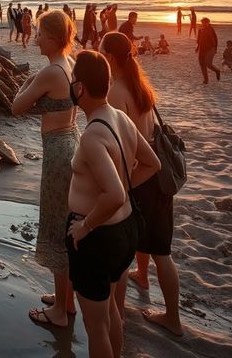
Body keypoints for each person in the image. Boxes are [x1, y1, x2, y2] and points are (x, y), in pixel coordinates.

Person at [65, 51, 161, 357]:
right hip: (125, 229)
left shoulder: (92, 135)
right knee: (110, 314)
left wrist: (84, 227)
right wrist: (126, 174)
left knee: (96, 328)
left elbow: (115, 194)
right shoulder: (120, 117)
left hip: (98, 238)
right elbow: (152, 163)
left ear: (80, 87)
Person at [101, 32, 183, 337]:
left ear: (110, 58)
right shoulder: (140, 85)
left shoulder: (117, 92)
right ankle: (143, 275)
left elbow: (120, 145)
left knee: (160, 249)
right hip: (158, 178)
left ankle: (173, 318)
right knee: (150, 239)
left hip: (142, 177)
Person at [11, 10, 78, 328]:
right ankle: (68, 299)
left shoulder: (51, 71)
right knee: (66, 222)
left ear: (51, 38)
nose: (34, 37)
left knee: (54, 226)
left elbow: (16, 106)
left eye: (38, 33)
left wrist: (26, 83)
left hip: (56, 152)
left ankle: (60, 314)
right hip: (69, 142)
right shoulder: (70, 64)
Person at [196, 17, 220, 83]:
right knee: (202, 64)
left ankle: (217, 70)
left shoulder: (211, 29)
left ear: (208, 23)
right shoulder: (200, 30)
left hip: (210, 48)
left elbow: (215, 39)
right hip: (202, 49)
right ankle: (206, 80)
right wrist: (197, 47)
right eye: (203, 22)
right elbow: (199, 40)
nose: (204, 24)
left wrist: (215, 48)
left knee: (208, 63)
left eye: (205, 23)